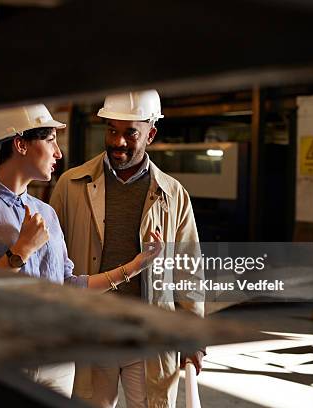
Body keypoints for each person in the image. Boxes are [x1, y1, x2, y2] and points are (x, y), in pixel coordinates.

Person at [0, 104, 162, 398]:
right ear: (20, 144)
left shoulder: (45, 213)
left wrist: (136, 266)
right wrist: (20, 252)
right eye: (50, 140)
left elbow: (68, 286)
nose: (58, 153)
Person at [50, 90, 206, 407]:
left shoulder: (172, 194)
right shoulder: (71, 185)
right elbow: (50, 262)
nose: (118, 142)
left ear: (151, 133)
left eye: (130, 133)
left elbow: (188, 269)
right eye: (112, 131)